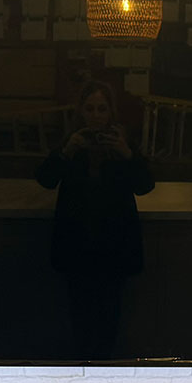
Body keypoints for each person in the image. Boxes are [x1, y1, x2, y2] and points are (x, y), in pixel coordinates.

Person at [34, 80, 154, 360]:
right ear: (81, 111)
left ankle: (103, 366)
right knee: (80, 314)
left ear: (111, 111)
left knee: (110, 314)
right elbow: (46, 179)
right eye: (90, 108)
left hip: (114, 244)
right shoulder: (72, 141)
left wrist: (127, 154)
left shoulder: (123, 142)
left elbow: (145, 185)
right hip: (78, 243)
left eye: (102, 108)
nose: (96, 115)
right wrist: (67, 152)